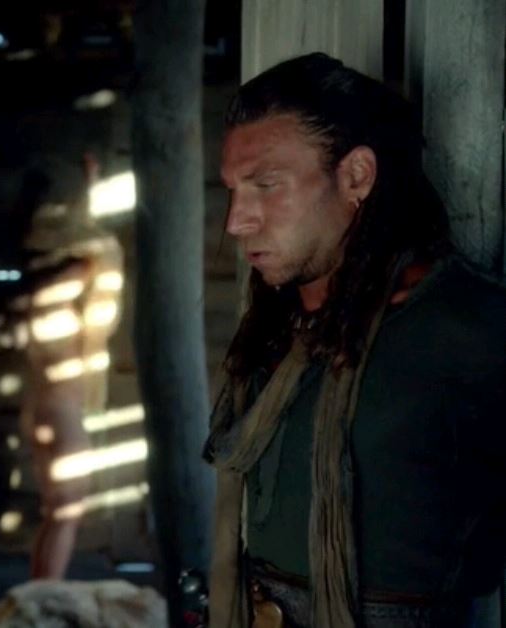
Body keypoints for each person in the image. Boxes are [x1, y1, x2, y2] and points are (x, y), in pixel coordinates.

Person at [204, 52, 506, 627]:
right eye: (234, 191)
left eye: (266, 185)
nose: (237, 221)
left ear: (356, 176)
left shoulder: (467, 327)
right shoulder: (276, 328)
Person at [11, 155, 123, 579]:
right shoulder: (54, 296)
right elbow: (92, 251)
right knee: (68, 509)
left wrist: (89, 188)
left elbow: (79, 240)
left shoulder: (39, 298)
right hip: (60, 412)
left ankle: (40, 589)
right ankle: (47, 593)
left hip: (46, 408)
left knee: (57, 512)